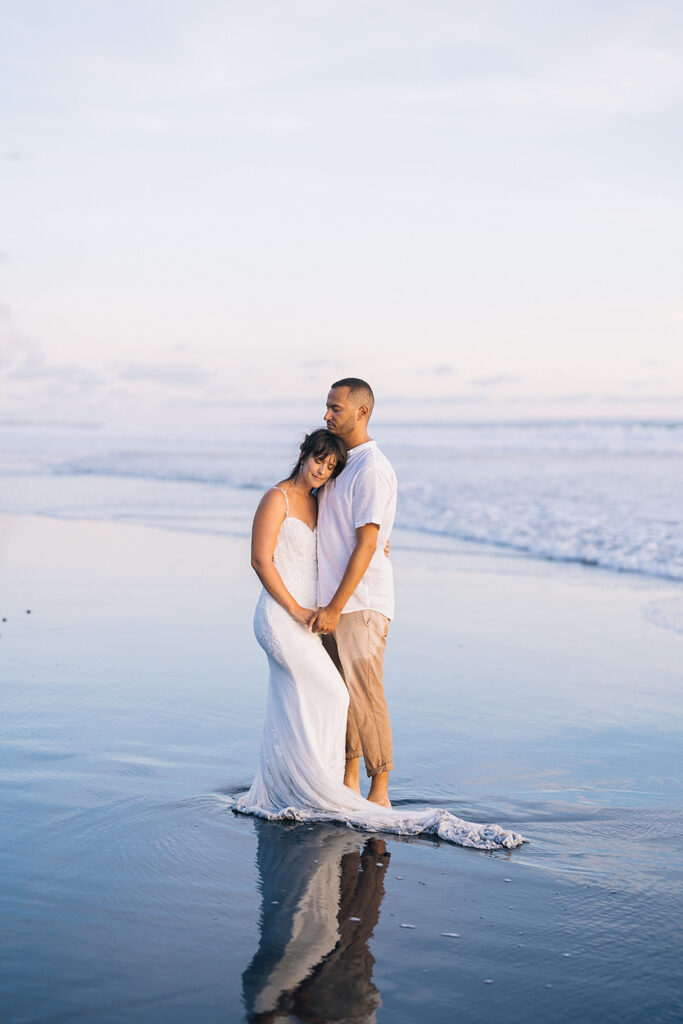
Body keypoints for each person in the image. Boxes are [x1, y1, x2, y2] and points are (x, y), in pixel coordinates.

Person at [233, 427, 525, 849]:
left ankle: (295, 783)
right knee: (330, 693)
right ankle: (312, 783)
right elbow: (260, 560)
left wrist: (379, 543)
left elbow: (351, 536)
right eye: (318, 460)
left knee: (309, 697)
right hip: (282, 617)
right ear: (303, 454)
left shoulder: (320, 501)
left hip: (310, 619)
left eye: (330, 466)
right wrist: (295, 610)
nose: (321, 470)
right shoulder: (275, 498)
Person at [311, 378, 396, 808]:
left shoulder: (372, 468)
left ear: (361, 412)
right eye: (327, 407)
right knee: (340, 695)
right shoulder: (342, 465)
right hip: (332, 603)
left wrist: (336, 606)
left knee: (365, 694)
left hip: (359, 604)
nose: (327, 415)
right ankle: (348, 783)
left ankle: (380, 792)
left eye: (335, 408)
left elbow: (367, 543)